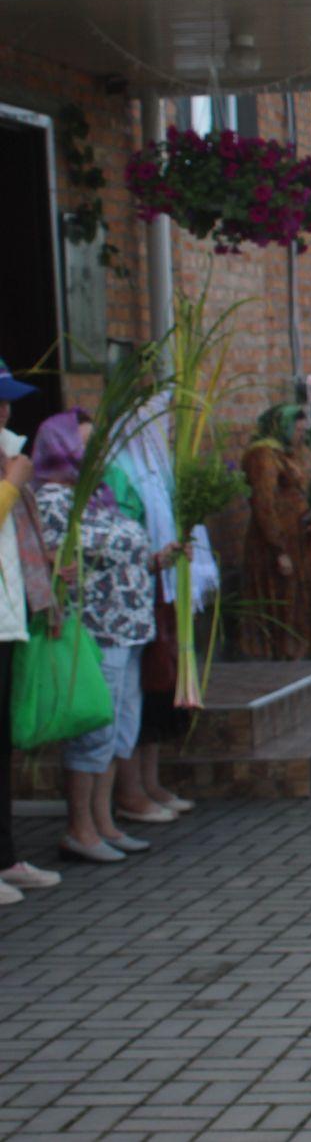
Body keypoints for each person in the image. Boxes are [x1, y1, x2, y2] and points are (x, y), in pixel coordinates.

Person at [33, 411, 178, 862]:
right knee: (96, 729)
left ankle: (104, 820)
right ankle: (81, 828)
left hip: (129, 627)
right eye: (85, 445)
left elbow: (115, 555)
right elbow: (47, 560)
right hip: (97, 629)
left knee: (120, 727)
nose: (96, 454)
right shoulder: (54, 500)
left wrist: (157, 560)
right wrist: (55, 564)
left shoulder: (97, 496)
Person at [112, 394, 221, 825]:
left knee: (158, 690)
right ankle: (129, 789)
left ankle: (150, 781)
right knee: (139, 690)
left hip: (163, 588)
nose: (168, 434)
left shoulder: (158, 469)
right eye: (162, 425)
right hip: (139, 592)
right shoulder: (123, 469)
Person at [0, 372, 60, 898]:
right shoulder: (10, 468)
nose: (4, 414)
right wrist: (12, 483)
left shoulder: (8, 452)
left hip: (9, 618)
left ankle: (6, 857)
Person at [239, 402, 311, 660]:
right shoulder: (263, 455)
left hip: (301, 540)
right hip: (278, 546)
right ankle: (286, 660)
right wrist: (277, 549)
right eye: (296, 429)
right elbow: (264, 502)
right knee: (287, 603)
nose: (300, 434)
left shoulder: (286, 454)